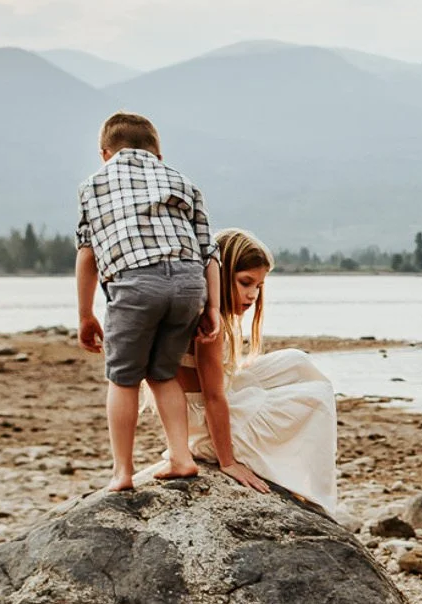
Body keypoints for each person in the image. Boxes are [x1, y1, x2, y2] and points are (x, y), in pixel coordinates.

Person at [72, 112, 229, 492]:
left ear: (104, 153)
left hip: (135, 284)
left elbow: (88, 253)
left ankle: (122, 472)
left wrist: (85, 315)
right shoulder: (182, 181)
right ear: (158, 155)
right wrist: (211, 308)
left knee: (123, 379)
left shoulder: (93, 185)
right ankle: (181, 457)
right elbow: (210, 252)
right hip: (190, 285)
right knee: (163, 372)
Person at [155, 229, 340, 509]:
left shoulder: (196, 309)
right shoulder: (209, 324)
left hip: (204, 414)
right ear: (218, 275)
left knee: (296, 361)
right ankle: (314, 492)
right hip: (206, 431)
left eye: (259, 286)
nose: (253, 295)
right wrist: (228, 462)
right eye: (245, 283)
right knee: (317, 396)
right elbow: (213, 397)